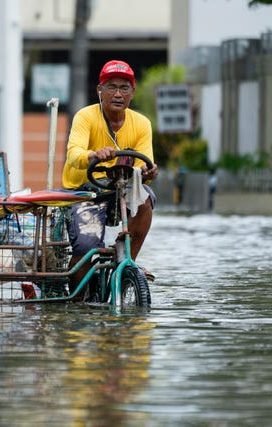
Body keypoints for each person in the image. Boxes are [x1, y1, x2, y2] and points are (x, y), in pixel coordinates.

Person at [62, 59, 159, 293]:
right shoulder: (85, 117)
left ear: (132, 93)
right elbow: (74, 153)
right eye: (111, 87)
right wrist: (94, 155)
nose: (118, 94)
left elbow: (142, 163)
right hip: (83, 192)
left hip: (119, 191)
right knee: (86, 247)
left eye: (124, 88)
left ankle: (127, 262)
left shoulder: (142, 124)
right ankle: (78, 302)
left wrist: (149, 172)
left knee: (145, 198)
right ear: (100, 91)